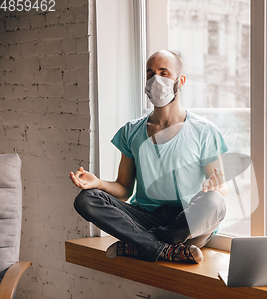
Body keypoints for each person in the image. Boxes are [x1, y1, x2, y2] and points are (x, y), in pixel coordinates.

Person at [70, 50, 229, 264]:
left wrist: (214, 187)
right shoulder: (131, 131)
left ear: (180, 81)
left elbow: (221, 189)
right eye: (150, 74)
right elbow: (124, 189)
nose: (156, 80)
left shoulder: (204, 131)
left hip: (186, 221)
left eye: (164, 73)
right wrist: (98, 183)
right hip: (145, 217)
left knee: (216, 201)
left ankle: (141, 245)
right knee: (86, 199)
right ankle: (161, 248)